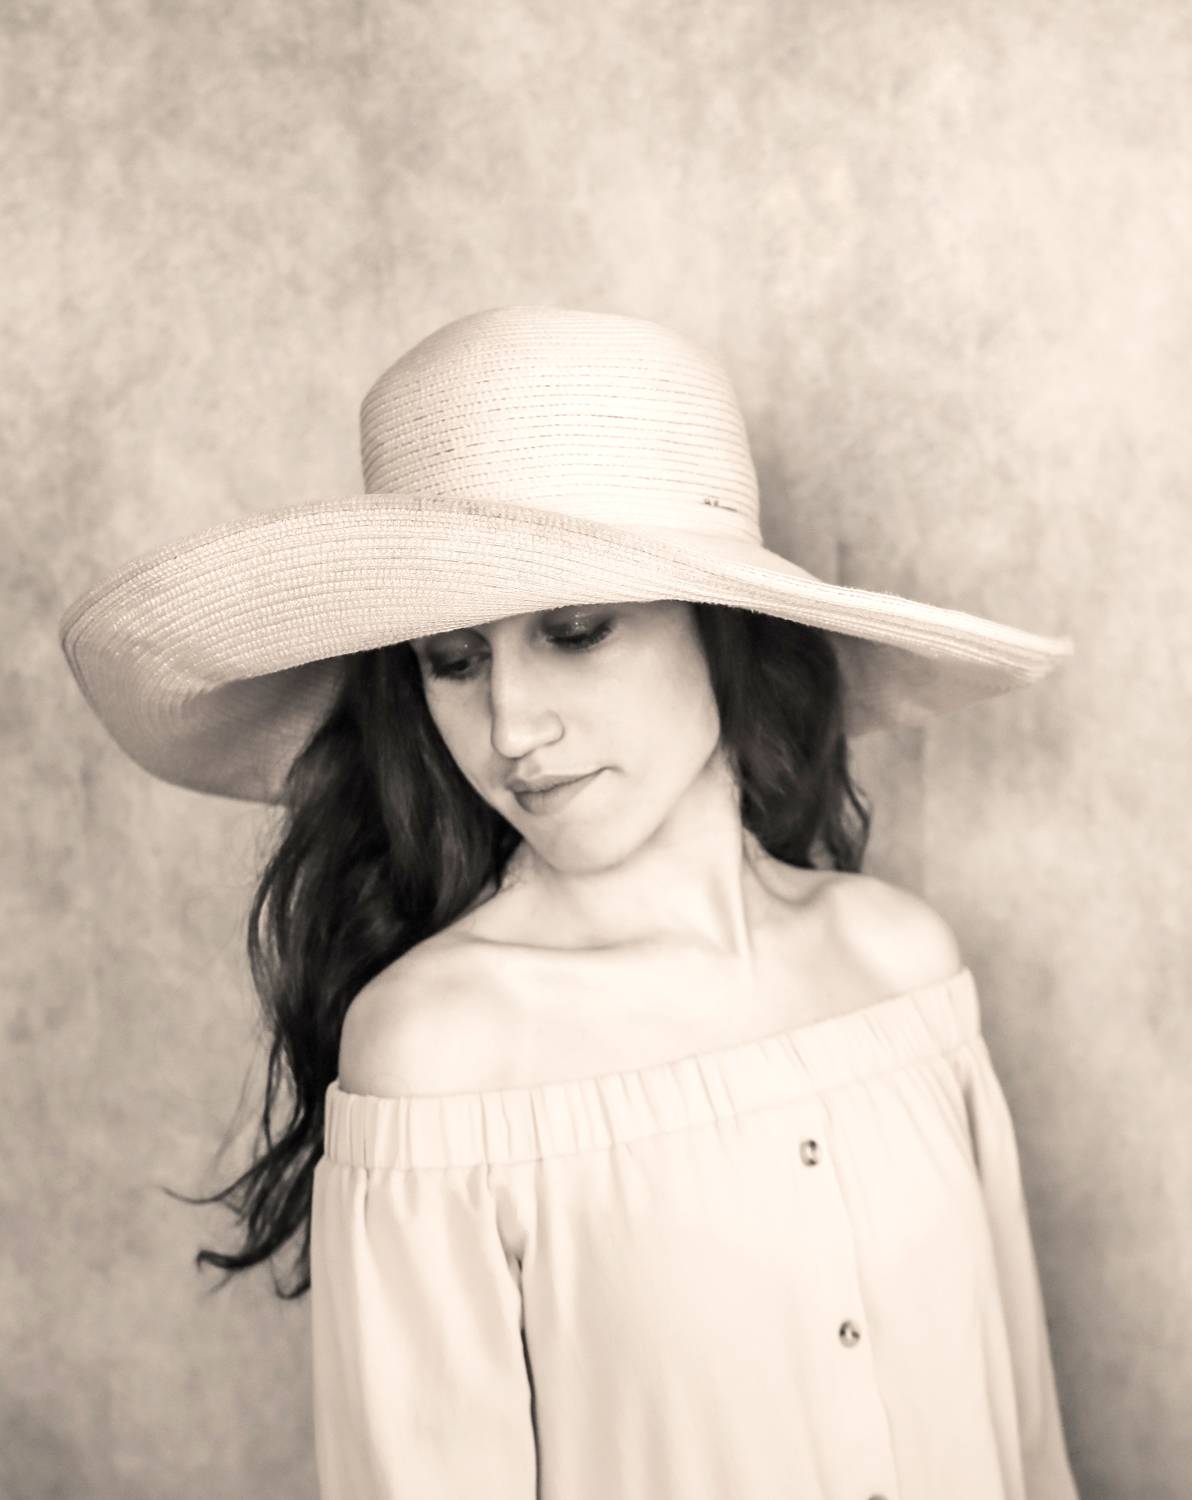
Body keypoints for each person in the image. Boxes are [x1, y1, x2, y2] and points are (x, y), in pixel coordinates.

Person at [58, 304, 1081, 1498]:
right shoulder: (442, 1051)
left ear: (724, 629)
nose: (508, 726)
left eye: (576, 632)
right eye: (454, 661)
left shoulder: (899, 968)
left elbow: (1026, 1451)